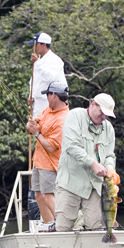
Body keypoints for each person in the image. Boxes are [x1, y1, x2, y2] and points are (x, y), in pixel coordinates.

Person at [54, 93, 120, 232]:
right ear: (92, 104)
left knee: (96, 228)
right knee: (63, 227)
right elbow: (71, 146)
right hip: (70, 183)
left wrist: (111, 170)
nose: (103, 117)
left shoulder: (108, 128)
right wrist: (93, 163)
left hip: (94, 186)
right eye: (102, 112)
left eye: (107, 115)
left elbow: (109, 155)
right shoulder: (74, 116)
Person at [26, 82, 70, 227]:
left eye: (47, 95)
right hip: (38, 161)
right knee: (38, 195)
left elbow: (51, 147)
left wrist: (36, 133)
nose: (46, 97)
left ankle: (65, 224)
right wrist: (32, 123)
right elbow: (39, 120)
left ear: (54, 96)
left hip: (51, 165)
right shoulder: (49, 110)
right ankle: (50, 226)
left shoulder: (63, 119)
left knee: (47, 194)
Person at [27, 33, 68, 118]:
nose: (33, 48)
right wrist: (31, 98)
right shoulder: (39, 60)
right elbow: (34, 82)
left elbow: (50, 77)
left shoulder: (55, 60)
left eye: (36, 44)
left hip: (49, 103)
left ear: (43, 44)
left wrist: (37, 63)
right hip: (37, 104)